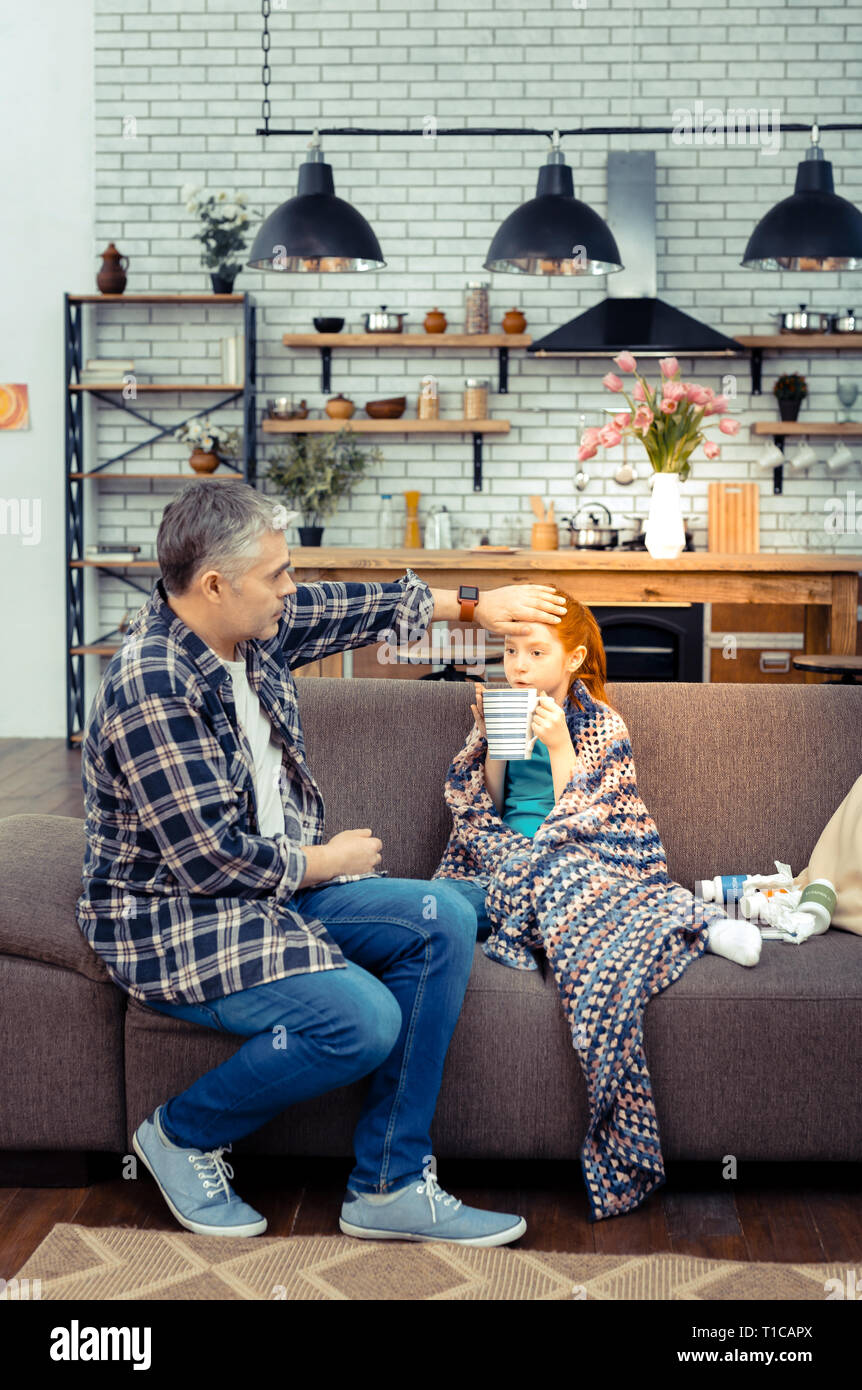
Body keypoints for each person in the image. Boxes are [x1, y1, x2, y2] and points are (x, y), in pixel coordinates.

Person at [76, 479, 570, 1245]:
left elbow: (360, 605)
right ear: (214, 584)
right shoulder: (152, 683)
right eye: (277, 574)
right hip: (180, 917)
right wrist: (326, 861)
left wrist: (476, 603)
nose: (290, 588)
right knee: (363, 1021)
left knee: (442, 913)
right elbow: (207, 861)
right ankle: (179, 1136)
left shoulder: (246, 629)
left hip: (274, 894)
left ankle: (388, 1184)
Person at [434, 589, 763, 968]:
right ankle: (554, 913)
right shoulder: (505, 709)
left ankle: (710, 928)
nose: (518, 667)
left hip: (575, 861)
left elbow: (586, 817)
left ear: (573, 658)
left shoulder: (600, 724)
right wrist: (491, 744)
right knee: (442, 900)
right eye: (511, 651)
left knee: (585, 885)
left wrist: (559, 746)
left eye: (536, 653)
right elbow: (485, 811)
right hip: (501, 863)